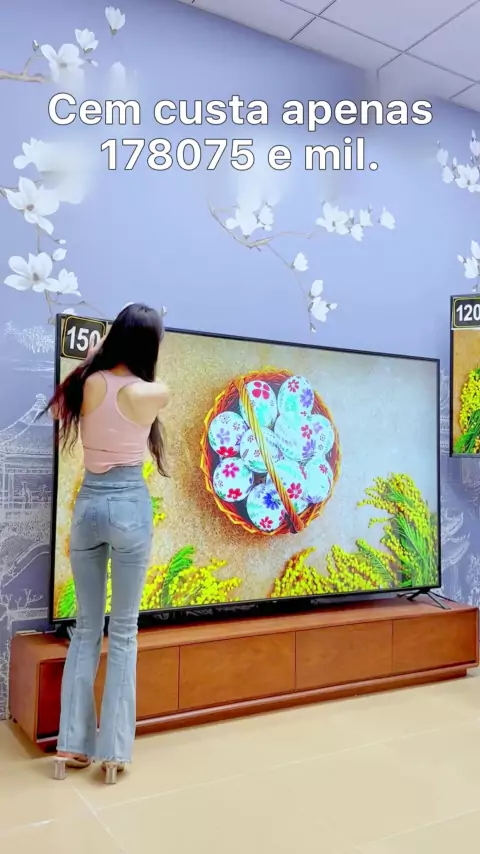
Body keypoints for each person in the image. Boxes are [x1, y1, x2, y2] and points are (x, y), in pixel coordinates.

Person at [47, 303, 168, 784]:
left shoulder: (86, 384)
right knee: (123, 631)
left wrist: (97, 351)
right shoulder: (151, 392)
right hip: (128, 505)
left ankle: (70, 746)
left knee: (85, 629)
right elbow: (156, 387)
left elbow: (81, 379)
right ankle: (114, 753)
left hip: (89, 507)